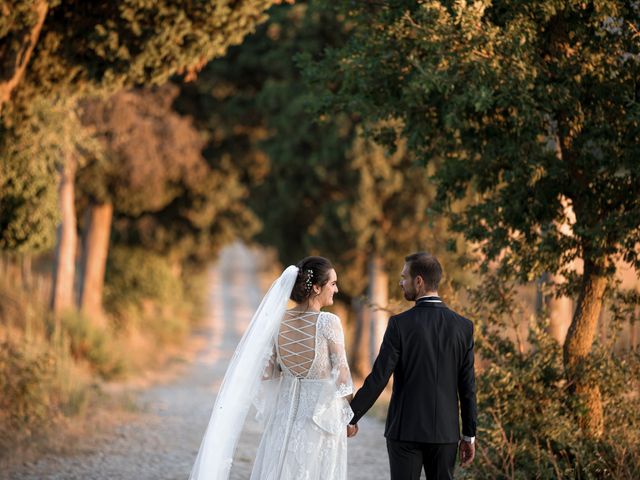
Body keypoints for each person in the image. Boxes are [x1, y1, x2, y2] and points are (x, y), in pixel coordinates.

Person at [189, 256, 354, 480]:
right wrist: (349, 417)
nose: (336, 289)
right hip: (319, 420)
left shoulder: (278, 321)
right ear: (316, 288)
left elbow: (267, 373)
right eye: (333, 284)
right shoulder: (328, 322)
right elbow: (342, 376)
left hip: (282, 418)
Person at [348, 252, 477, 480]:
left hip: (404, 431)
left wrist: (351, 416)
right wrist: (469, 435)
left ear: (419, 281)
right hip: (445, 433)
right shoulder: (463, 327)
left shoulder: (400, 325)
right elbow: (468, 388)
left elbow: (379, 377)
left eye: (404, 277)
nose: (400, 282)